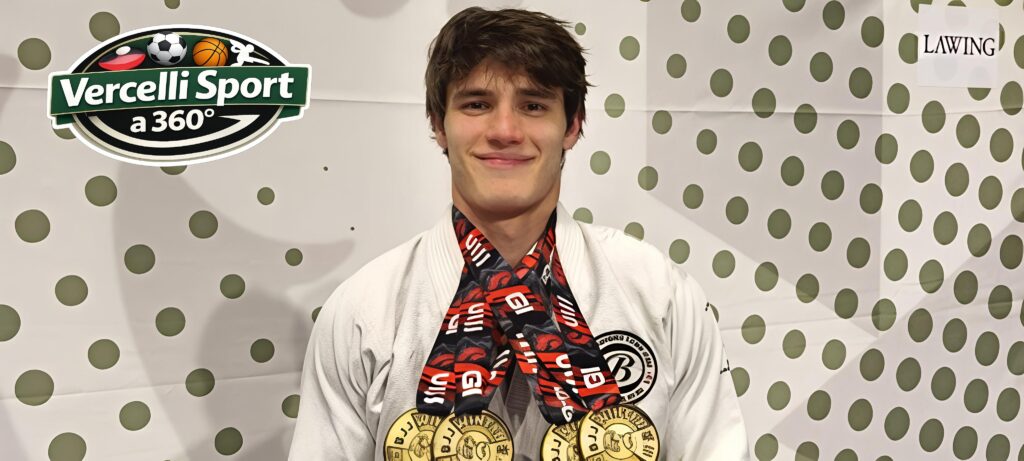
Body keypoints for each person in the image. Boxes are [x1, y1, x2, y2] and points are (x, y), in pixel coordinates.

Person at [289, 7, 750, 460]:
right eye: (477, 104)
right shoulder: (364, 312)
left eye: (533, 105)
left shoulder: (659, 293)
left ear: (572, 125)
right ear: (437, 124)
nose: (505, 130)